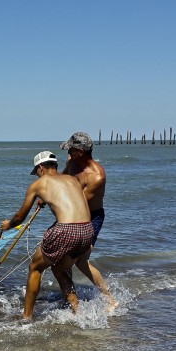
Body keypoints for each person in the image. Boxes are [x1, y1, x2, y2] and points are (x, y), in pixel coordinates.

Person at [0, 151, 97, 319]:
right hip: (87, 230)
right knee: (59, 268)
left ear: (40, 168)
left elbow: (19, 218)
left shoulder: (39, 184)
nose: (37, 175)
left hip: (66, 230)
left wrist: (7, 225)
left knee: (35, 267)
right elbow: (73, 206)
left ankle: (26, 318)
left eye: (36, 172)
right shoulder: (73, 180)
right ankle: (77, 311)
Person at [60, 132, 119, 313]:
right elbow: (62, 181)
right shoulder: (71, 162)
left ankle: (109, 299)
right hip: (70, 213)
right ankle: (70, 297)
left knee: (79, 261)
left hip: (90, 217)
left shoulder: (97, 176)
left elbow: (79, 203)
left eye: (71, 148)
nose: (68, 151)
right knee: (64, 257)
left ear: (80, 151)